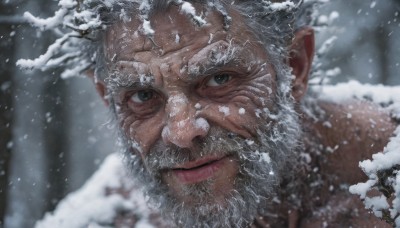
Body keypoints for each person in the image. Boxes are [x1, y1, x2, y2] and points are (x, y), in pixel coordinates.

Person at [25, 0, 399, 227]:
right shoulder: (108, 218)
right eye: (142, 95)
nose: (182, 130)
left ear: (294, 64)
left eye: (219, 79)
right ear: (108, 98)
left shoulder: (388, 178)